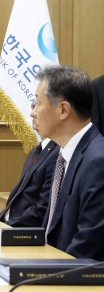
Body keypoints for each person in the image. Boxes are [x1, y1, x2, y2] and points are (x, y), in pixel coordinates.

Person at [34, 65, 104, 260]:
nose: (33, 112)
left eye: (37, 103)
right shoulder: (65, 154)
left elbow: (87, 247)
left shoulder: (97, 162)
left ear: (63, 110)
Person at [0, 131, 60, 227]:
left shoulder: (57, 153)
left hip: (24, 228)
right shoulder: (36, 150)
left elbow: (43, 208)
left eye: (39, 114)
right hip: (9, 221)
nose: (32, 115)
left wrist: (6, 227)